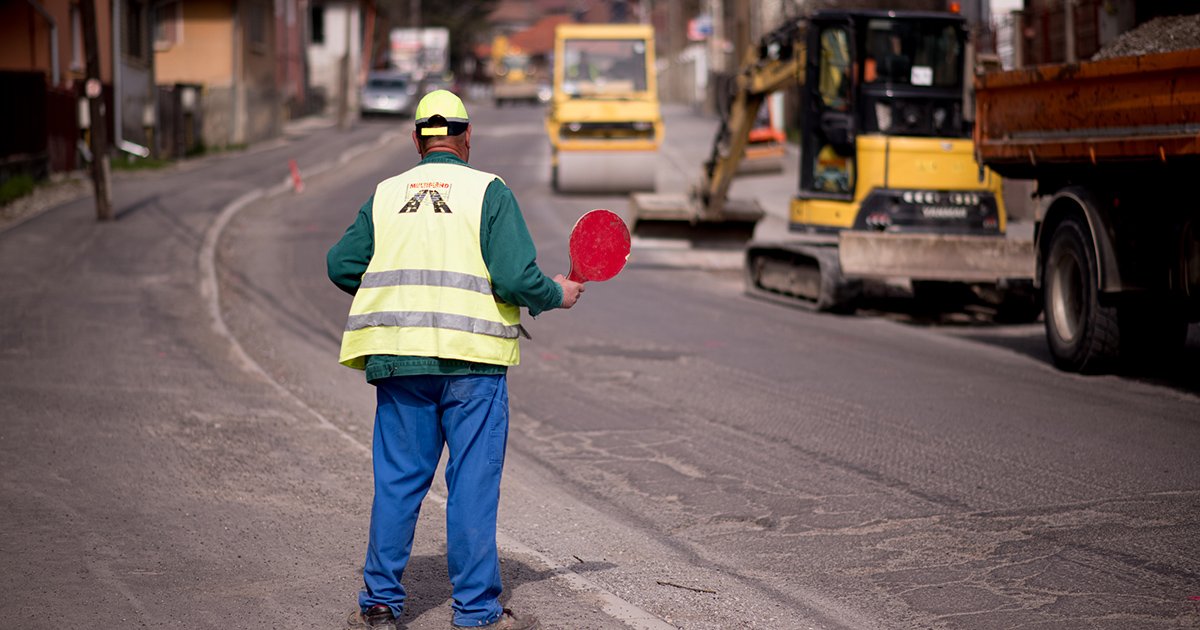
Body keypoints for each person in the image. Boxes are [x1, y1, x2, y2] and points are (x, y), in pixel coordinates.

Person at [327, 89, 584, 630]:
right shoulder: (488, 191)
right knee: (470, 484)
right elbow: (515, 276)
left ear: (416, 140)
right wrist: (556, 294)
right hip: (473, 366)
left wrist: (392, 295)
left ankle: (379, 604)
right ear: (467, 138)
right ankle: (474, 612)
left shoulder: (386, 194)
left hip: (400, 362)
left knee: (398, 480)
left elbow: (342, 263)